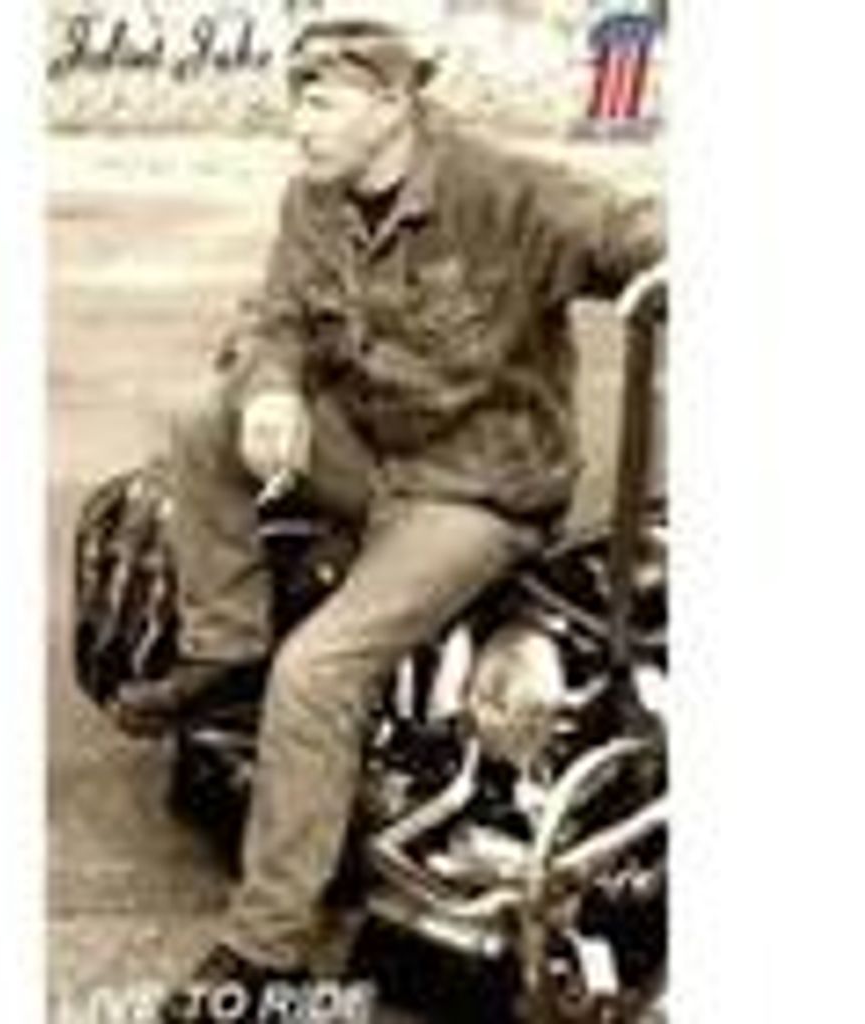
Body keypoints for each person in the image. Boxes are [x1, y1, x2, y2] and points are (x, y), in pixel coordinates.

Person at [108, 15, 664, 1020]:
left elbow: (635, 233)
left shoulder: (503, 192)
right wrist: (272, 387)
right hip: (374, 452)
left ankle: (266, 951)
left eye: (320, 102)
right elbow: (277, 318)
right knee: (202, 417)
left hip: (477, 487)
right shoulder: (313, 199)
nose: (300, 125)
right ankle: (224, 648)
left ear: (392, 103)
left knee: (318, 671)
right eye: (296, 101)